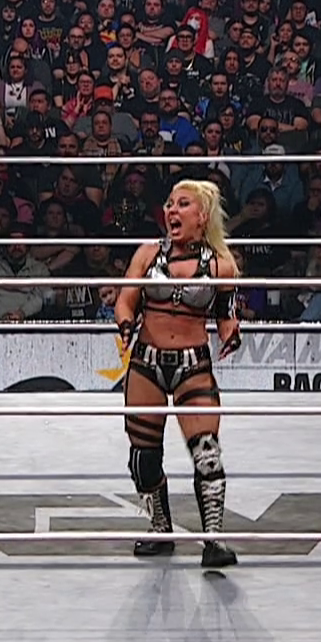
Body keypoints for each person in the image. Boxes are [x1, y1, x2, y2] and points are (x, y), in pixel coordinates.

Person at [113, 179, 244, 567]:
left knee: (207, 454)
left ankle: (213, 540)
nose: (172, 210)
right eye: (170, 203)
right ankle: (160, 528)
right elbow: (125, 299)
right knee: (143, 457)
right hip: (147, 363)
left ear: (202, 216)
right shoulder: (147, 254)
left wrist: (231, 333)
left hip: (192, 365)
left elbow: (226, 314)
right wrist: (125, 323)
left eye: (182, 204)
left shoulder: (222, 266)